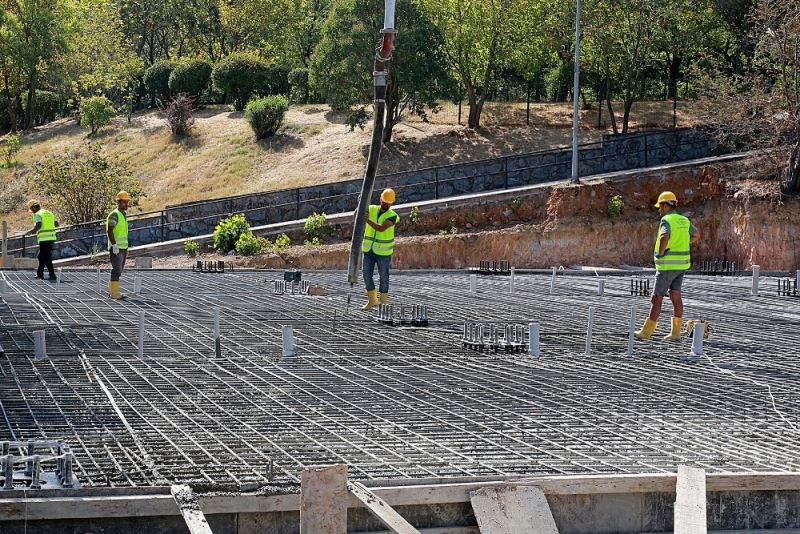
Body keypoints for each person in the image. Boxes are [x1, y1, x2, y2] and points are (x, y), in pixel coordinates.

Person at [635, 191, 699, 341]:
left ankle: (646, 332)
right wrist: (685, 244)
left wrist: (661, 252)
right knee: (676, 296)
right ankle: (675, 333)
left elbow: (664, 236)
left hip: (667, 267)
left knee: (656, 298)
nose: (659, 209)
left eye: (660, 206)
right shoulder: (684, 220)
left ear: (665, 205)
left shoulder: (667, 220)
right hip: (681, 266)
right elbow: (696, 235)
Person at [361, 188, 400, 310]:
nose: (386, 204)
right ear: (380, 199)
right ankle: (372, 300)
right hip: (368, 250)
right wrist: (359, 209)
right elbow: (356, 214)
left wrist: (367, 220)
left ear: (392, 203)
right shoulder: (371, 208)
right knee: (366, 275)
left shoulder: (393, 216)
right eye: (384, 201)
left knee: (384, 277)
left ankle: (383, 303)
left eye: (388, 203)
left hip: (383, 253)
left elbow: (381, 228)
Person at [25, 199, 58, 281]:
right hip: (52, 238)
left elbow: (39, 225)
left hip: (44, 239)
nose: (32, 212)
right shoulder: (49, 213)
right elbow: (56, 224)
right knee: (41, 257)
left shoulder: (37, 214)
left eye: (31, 210)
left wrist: (31, 232)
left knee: (47, 258)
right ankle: (40, 274)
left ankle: (52, 275)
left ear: (33, 208)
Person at [106, 191, 130, 300]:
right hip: (116, 248)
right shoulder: (114, 214)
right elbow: (109, 230)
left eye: (127, 202)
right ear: (118, 202)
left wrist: (126, 248)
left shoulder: (123, 215)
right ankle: (114, 293)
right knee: (117, 270)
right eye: (124, 202)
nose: (126, 204)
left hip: (123, 248)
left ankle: (112, 290)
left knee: (120, 270)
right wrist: (114, 245)